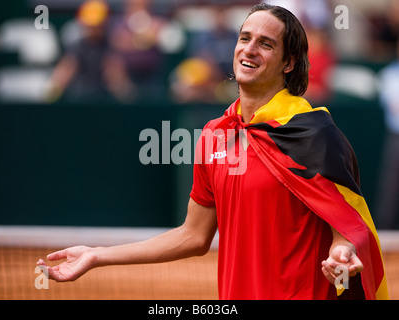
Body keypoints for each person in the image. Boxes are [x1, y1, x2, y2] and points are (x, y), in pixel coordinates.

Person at [38, 4, 388, 300]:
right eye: (245, 38)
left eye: (266, 44)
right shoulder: (214, 137)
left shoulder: (316, 135)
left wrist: (343, 251)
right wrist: (97, 256)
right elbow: (193, 235)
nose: (249, 49)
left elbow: (347, 224)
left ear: (288, 63)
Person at [375, 39, 399, 229]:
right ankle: (385, 226)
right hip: (395, 136)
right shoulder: (389, 74)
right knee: (390, 184)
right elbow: (393, 105)